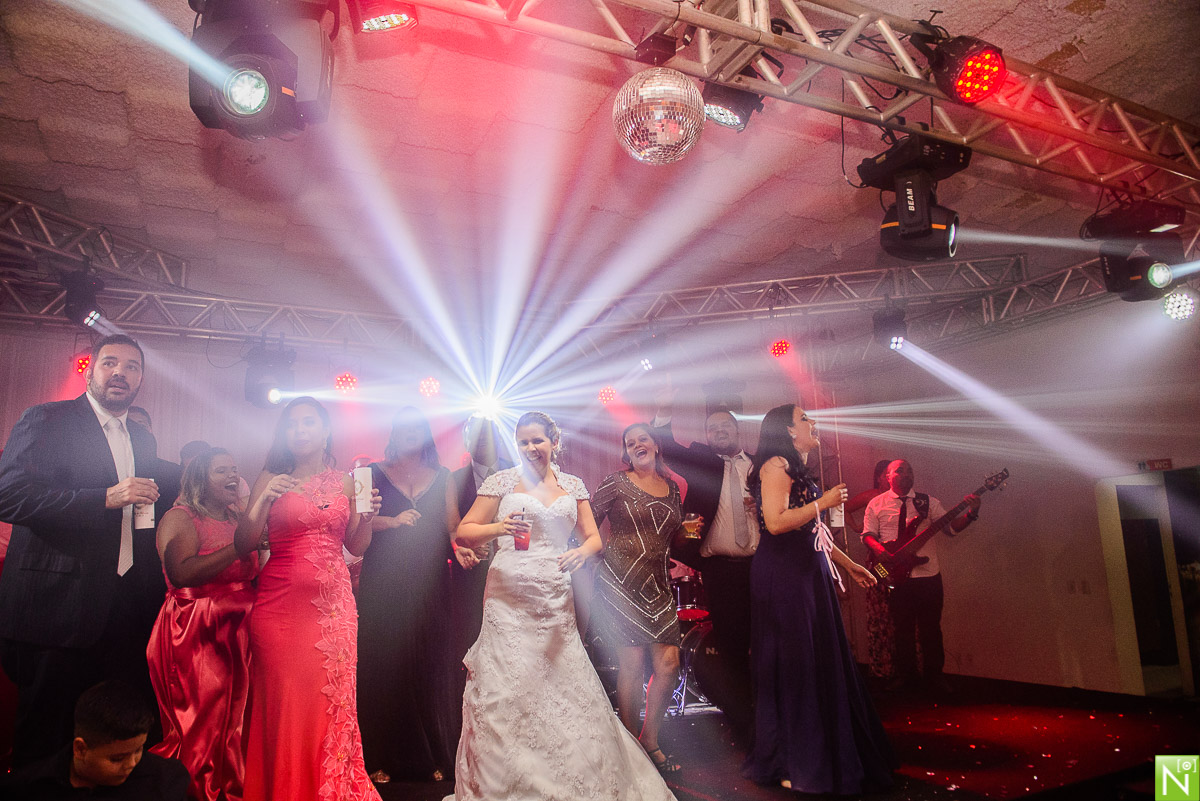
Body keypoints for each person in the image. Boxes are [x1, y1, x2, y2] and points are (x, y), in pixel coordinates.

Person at [446, 412, 675, 801]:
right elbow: (465, 531)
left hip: (555, 592)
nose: (531, 448)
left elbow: (593, 539)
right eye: (523, 442)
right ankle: (502, 780)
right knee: (508, 684)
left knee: (562, 681)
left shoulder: (573, 485)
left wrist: (580, 555)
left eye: (538, 440)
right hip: (508, 594)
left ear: (554, 441)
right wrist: (498, 528)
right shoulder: (501, 482)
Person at [0, 334, 177, 767]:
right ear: (90, 370)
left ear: (140, 380)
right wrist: (102, 498)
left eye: (132, 366)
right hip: (55, 610)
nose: (121, 372)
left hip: (124, 610)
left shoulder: (141, 438)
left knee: (109, 741)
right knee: (45, 741)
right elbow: (9, 496)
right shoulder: (46, 420)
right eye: (110, 363)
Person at [234, 397, 382, 801]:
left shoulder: (349, 482)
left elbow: (355, 545)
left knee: (327, 701)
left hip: (334, 607)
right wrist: (264, 500)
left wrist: (366, 517)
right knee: (285, 703)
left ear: (325, 430)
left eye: (309, 422)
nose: (300, 430)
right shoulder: (270, 475)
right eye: (292, 424)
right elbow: (243, 543)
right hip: (278, 608)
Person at [744, 404, 892, 794]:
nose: (812, 422)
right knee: (797, 665)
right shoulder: (775, 465)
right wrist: (823, 503)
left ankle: (820, 752)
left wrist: (846, 565)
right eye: (804, 418)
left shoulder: (797, 468)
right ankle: (790, 759)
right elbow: (775, 523)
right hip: (784, 576)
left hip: (808, 573)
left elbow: (814, 531)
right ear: (789, 431)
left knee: (816, 660)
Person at [358, 407, 471, 784]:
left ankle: (433, 757)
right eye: (402, 426)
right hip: (383, 584)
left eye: (416, 427)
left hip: (431, 583)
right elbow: (349, 525)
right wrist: (389, 522)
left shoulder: (443, 477)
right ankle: (379, 756)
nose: (410, 432)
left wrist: (463, 548)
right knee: (386, 668)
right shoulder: (368, 474)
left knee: (430, 665)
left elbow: (452, 527)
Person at [147, 448, 258, 801]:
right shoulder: (182, 518)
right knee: (201, 723)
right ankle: (193, 791)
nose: (232, 476)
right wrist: (239, 548)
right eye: (220, 470)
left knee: (236, 723)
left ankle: (231, 788)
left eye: (234, 469)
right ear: (199, 479)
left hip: (241, 630)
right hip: (197, 627)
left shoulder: (239, 516)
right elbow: (181, 573)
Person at [650, 388, 756, 741]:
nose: (718, 432)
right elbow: (664, 442)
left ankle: (774, 715)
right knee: (731, 649)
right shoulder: (702, 461)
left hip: (761, 567)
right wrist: (664, 409)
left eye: (725, 426)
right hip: (720, 571)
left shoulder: (760, 466)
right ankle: (745, 725)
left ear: (738, 430)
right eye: (712, 429)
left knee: (769, 643)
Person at [590, 423, 685, 776]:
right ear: (625, 452)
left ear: (656, 445)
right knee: (630, 664)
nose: (636, 445)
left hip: (657, 585)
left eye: (642, 439)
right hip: (619, 581)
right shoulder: (615, 483)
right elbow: (585, 523)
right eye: (629, 443)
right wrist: (592, 555)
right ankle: (631, 745)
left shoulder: (673, 489)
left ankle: (649, 738)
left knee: (668, 664)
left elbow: (670, 536)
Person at [862, 459, 981, 692]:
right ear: (888, 476)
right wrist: (880, 550)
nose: (906, 474)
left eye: (910, 470)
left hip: (928, 575)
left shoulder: (928, 502)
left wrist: (972, 513)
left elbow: (952, 528)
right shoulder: (876, 504)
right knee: (902, 628)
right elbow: (867, 535)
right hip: (894, 575)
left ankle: (935, 676)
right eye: (900, 470)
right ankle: (905, 676)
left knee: (931, 628)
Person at [0, 680, 189, 800]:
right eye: (117, 759)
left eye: (138, 750)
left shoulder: (166, 780)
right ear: (80, 749)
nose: (131, 764)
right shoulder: (25, 789)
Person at [450, 414, 513, 671]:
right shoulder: (453, 480)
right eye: (474, 435)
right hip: (472, 575)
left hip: (514, 569)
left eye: (487, 435)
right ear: (466, 441)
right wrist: (461, 546)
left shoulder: (518, 474)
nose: (481, 441)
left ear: (498, 439)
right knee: (474, 644)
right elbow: (449, 527)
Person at [846, 459, 896, 680]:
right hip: (877, 563)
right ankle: (882, 667)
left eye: (891, 474)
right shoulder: (872, 496)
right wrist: (858, 528)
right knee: (881, 604)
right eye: (885, 474)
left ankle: (902, 666)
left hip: (899, 562)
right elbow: (845, 508)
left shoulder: (901, 498)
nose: (888, 478)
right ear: (878, 477)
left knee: (897, 605)